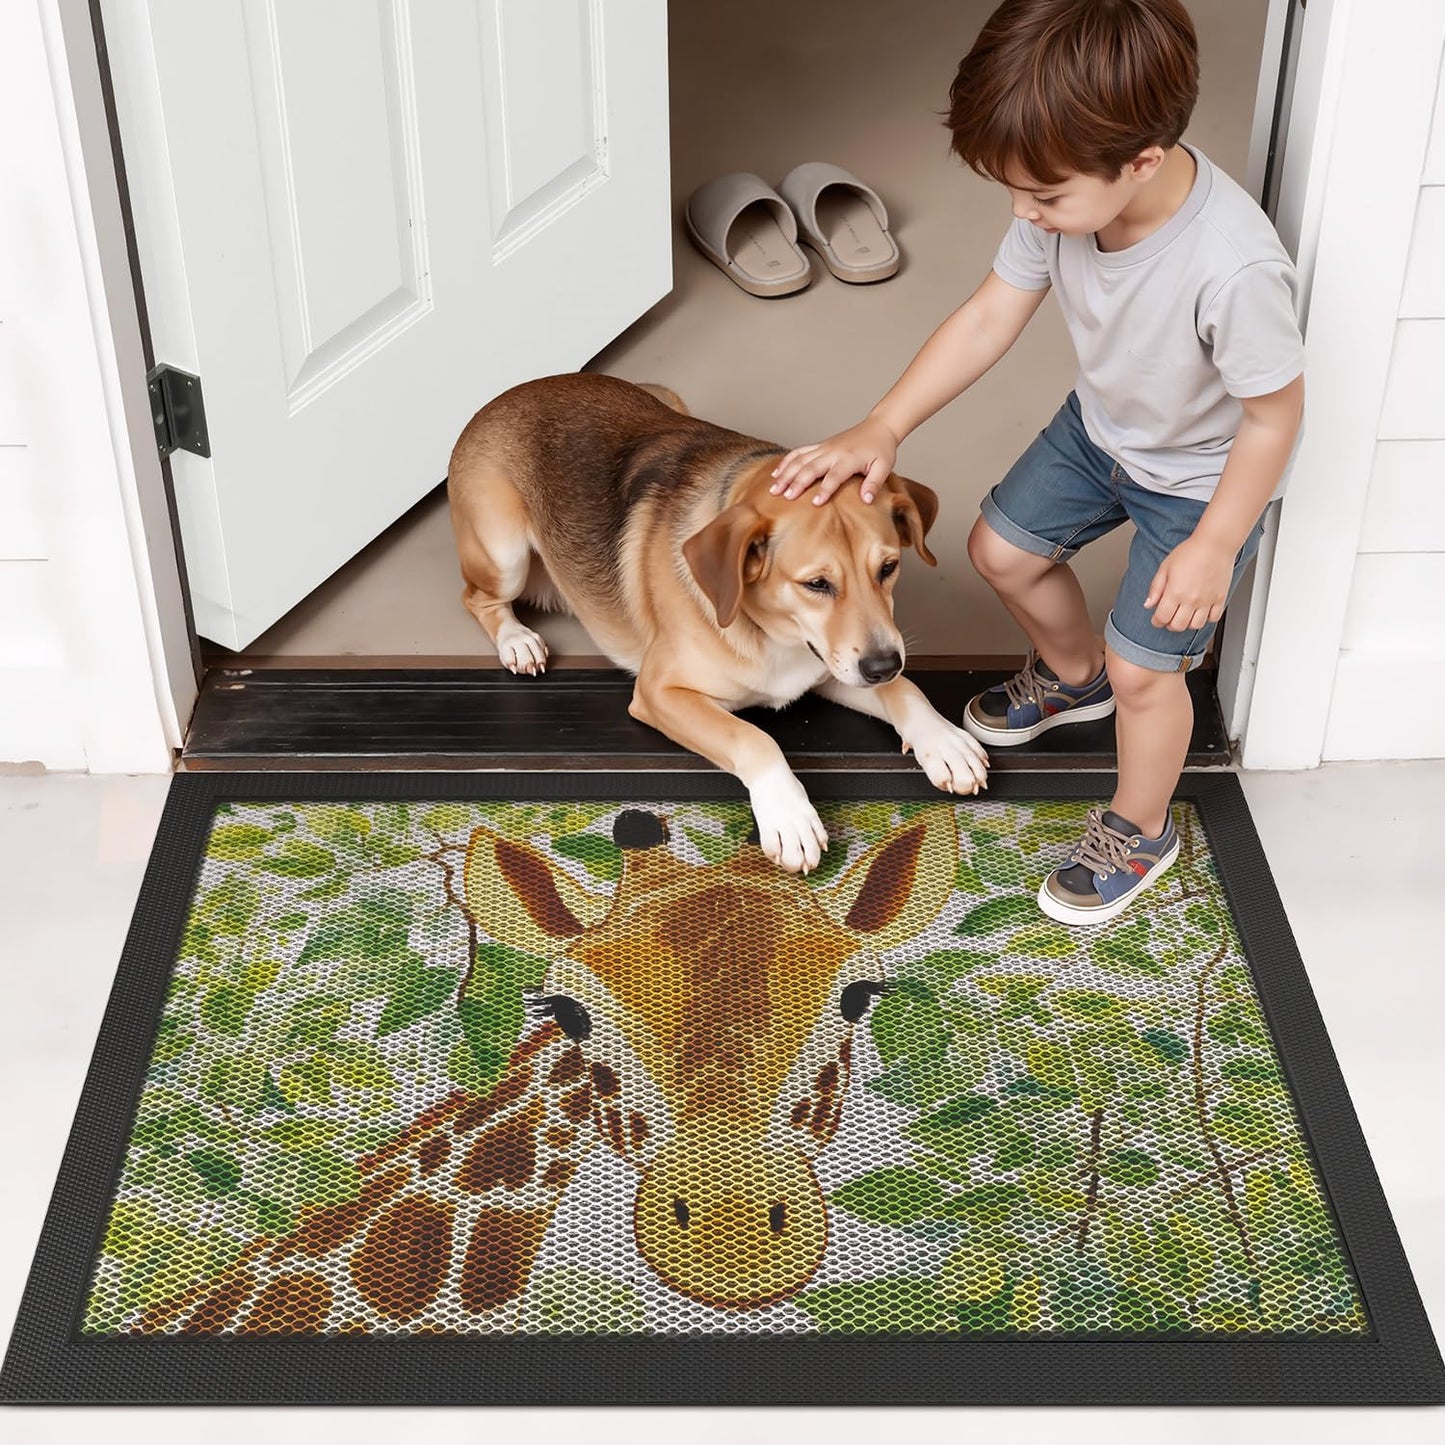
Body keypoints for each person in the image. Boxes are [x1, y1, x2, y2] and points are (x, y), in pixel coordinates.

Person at [768, 0, 1304, 926]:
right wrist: (882, 424)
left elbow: (1272, 417)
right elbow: (987, 316)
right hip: (1101, 431)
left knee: (1150, 671)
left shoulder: (1234, 270)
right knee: (999, 549)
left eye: (1043, 196)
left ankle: (1139, 825)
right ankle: (1070, 673)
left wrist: (1215, 543)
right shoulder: (1060, 197)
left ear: (1139, 162)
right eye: (1013, 191)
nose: (1024, 214)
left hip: (1203, 480)